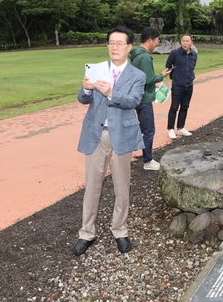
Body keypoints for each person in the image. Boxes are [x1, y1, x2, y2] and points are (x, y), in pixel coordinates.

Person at [73, 26, 145, 256]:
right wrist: (85, 89)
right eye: (111, 43)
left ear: (129, 47)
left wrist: (111, 93)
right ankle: (87, 232)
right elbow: (82, 99)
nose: (114, 47)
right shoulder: (97, 69)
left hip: (121, 135)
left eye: (119, 43)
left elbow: (133, 101)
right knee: (92, 186)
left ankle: (120, 230)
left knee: (122, 187)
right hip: (96, 134)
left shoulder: (137, 75)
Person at [128, 27, 171, 170]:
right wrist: (161, 76)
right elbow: (148, 79)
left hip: (136, 96)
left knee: (141, 127)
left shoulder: (135, 55)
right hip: (144, 98)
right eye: (157, 40)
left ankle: (132, 146)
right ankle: (148, 161)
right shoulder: (144, 56)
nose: (157, 43)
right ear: (150, 40)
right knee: (149, 130)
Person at [165, 34, 197, 140]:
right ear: (180, 42)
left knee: (185, 107)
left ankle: (180, 127)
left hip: (189, 85)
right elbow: (168, 67)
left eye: (187, 41)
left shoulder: (194, 54)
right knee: (174, 107)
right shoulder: (175, 53)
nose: (185, 43)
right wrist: (174, 76)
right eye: (183, 41)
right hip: (177, 85)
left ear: (191, 43)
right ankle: (170, 129)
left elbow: (192, 67)